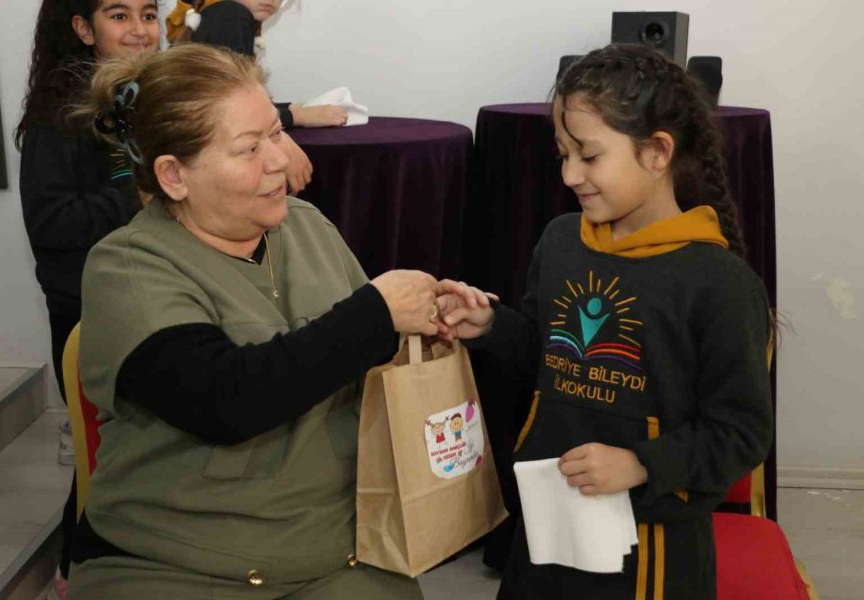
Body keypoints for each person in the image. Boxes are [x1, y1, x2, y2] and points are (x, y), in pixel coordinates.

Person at [68, 43, 450, 599]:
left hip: (336, 548)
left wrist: (432, 322)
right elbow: (226, 400)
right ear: (174, 175)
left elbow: (365, 361)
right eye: (249, 148)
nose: (278, 159)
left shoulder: (306, 225)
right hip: (173, 562)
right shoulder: (127, 266)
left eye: (276, 133)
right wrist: (377, 314)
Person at [436, 43, 774, 600]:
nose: (570, 174)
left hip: (653, 549)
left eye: (589, 156)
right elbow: (547, 359)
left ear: (658, 152)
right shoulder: (562, 242)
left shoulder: (719, 282)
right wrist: (492, 325)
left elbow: (740, 433)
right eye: (562, 154)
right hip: (548, 527)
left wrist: (641, 464)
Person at [16, 2, 160, 597]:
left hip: (146, 297)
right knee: (102, 453)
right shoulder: (60, 118)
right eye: (118, 14)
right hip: (88, 309)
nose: (139, 30)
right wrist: (138, 196)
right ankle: (74, 575)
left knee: (138, 452)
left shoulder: (142, 98)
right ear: (82, 29)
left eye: (149, 13)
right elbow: (50, 222)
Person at [166, 0, 348, 129]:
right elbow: (236, 112)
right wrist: (299, 116)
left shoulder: (221, 15)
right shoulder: (232, 15)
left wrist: (290, 108)